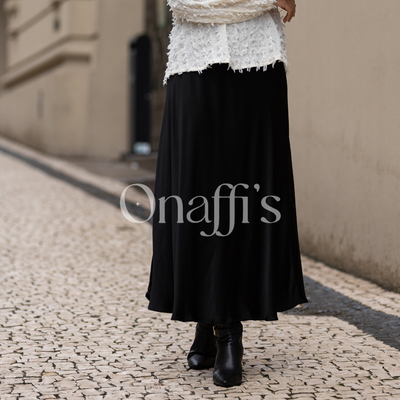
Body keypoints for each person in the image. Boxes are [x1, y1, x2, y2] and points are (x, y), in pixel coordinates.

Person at [146, 0, 307, 387]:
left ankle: (224, 325)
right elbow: (187, 3)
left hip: (258, 67)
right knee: (198, 198)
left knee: (249, 196)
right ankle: (213, 319)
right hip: (195, 67)